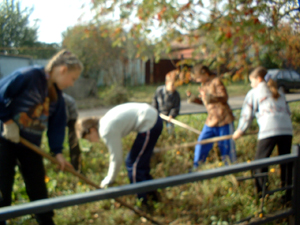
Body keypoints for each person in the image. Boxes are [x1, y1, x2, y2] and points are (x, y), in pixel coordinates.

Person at [0, 49, 83, 225]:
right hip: (5, 140)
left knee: (39, 190)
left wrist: (58, 153)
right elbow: (0, 94)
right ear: (62, 70)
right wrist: (7, 122)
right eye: (73, 78)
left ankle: (46, 222)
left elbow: (57, 127)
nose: (72, 84)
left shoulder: (58, 98)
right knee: (3, 187)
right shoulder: (28, 76)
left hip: (30, 145)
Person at [76, 103, 163, 204]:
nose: (90, 141)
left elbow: (116, 159)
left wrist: (108, 180)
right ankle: (154, 197)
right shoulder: (105, 122)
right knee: (139, 164)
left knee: (134, 165)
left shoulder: (105, 130)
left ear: (92, 130)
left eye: (88, 138)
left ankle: (143, 202)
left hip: (149, 122)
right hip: (151, 119)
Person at [232, 66, 293, 201]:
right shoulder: (279, 90)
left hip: (269, 130)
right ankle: (288, 195)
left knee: (259, 164)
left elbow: (247, 115)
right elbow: (288, 111)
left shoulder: (254, 92)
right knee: (286, 162)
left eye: (251, 81)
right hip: (287, 130)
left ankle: (263, 195)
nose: (250, 84)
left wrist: (240, 131)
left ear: (258, 79)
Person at [191, 65, 236, 168]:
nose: (197, 80)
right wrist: (194, 98)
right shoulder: (203, 85)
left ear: (205, 74)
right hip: (211, 120)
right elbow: (207, 103)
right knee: (201, 143)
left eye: (198, 77)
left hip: (223, 119)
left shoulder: (216, 82)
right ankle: (197, 167)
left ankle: (230, 168)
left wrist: (208, 97)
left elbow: (224, 98)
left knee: (226, 147)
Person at [63, 93, 82, 172]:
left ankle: (76, 167)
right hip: (69, 116)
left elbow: (65, 115)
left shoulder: (61, 98)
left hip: (72, 118)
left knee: (73, 143)